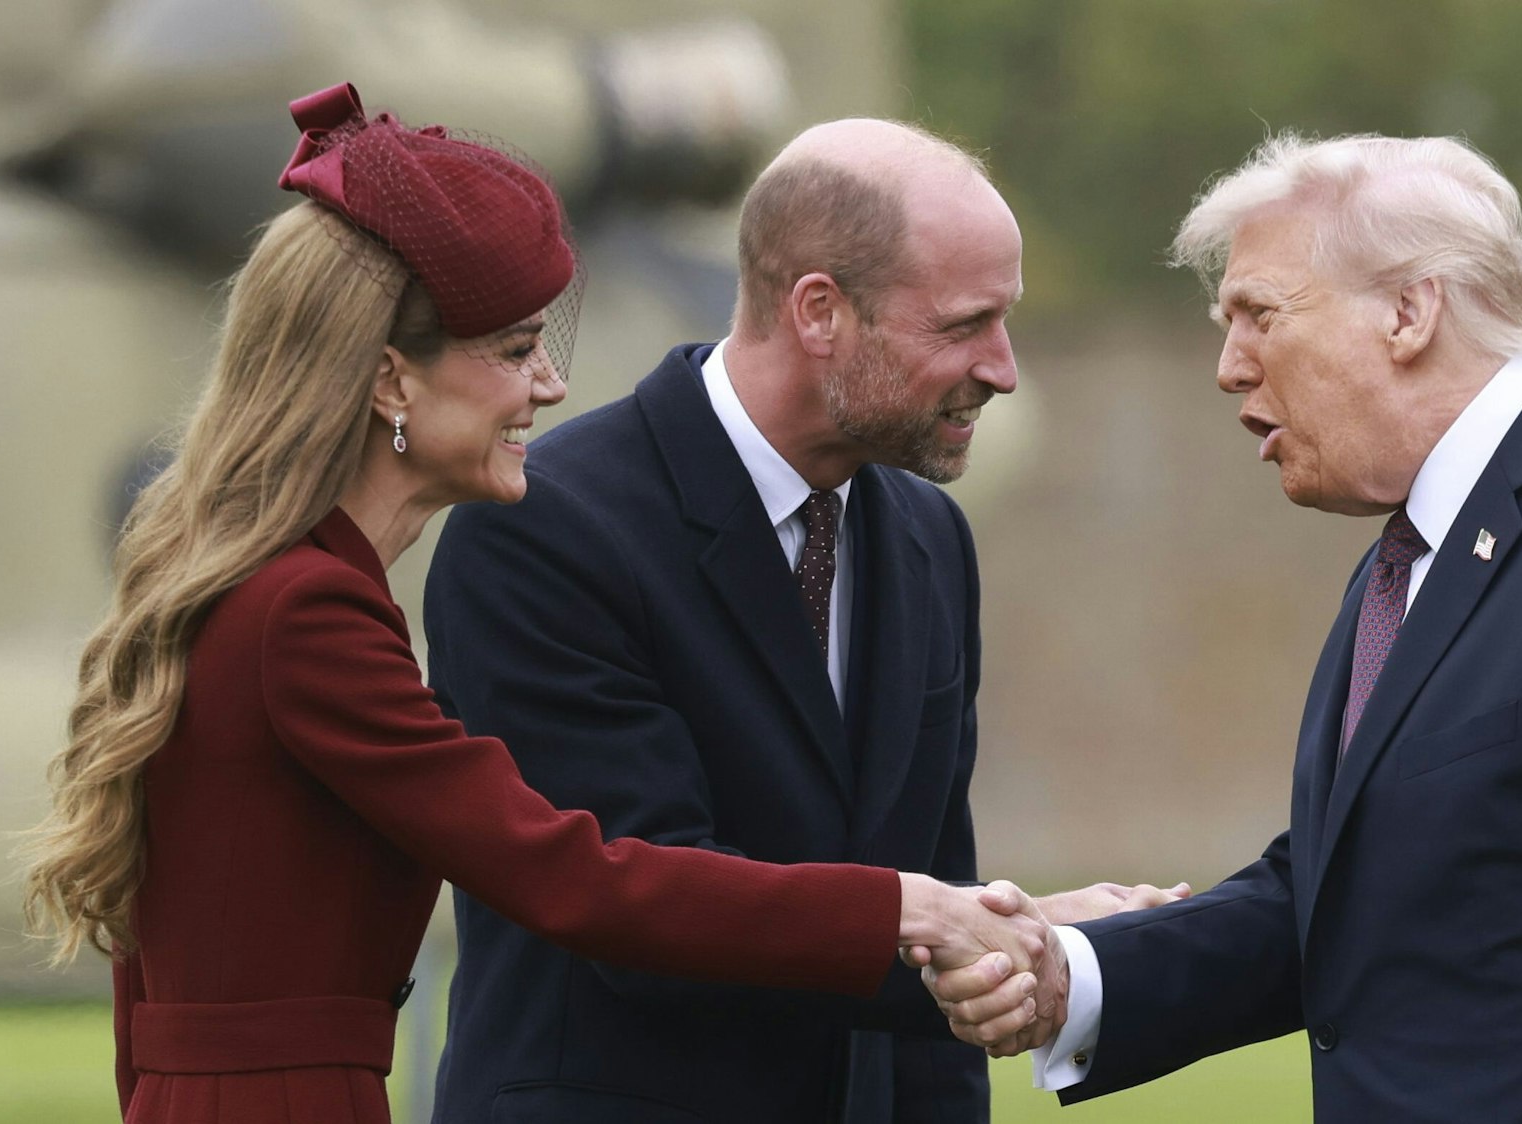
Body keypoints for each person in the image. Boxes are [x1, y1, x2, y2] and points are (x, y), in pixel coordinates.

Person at [17, 83, 1050, 1124]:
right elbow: (576, 875)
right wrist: (904, 907)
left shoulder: (274, 587)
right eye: (514, 349)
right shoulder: (305, 613)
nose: (548, 385)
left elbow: (147, 1000)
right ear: (391, 383)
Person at [929, 133, 1522, 1121]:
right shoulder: (1426, 543)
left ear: (1410, 312)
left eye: (1258, 314)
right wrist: (1073, 973)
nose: (1227, 366)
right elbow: (1354, 891)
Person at [423, 117, 1181, 1123]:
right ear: (819, 310)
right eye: (961, 325)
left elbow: (930, 886)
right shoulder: (545, 529)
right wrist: (1008, 931)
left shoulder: (928, 538)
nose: (1001, 367)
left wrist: (997, 939)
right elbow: (637, 913)